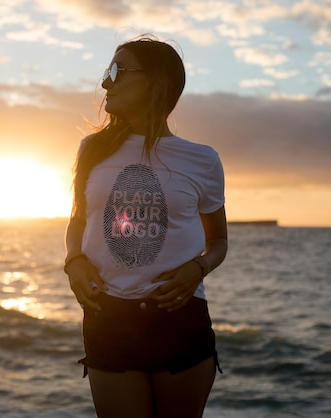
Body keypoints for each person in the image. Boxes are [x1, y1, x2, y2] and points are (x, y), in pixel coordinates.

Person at [64, 35, 228, 418]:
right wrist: (74, 261)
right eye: (108, 71)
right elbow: (78, 220)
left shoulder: (202, 159)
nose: (106, 82)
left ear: (158, 83)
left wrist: (199, 267)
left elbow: (218, 240)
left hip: (178, 318)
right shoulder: (93, 149)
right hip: (108, 319)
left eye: (118, 71)